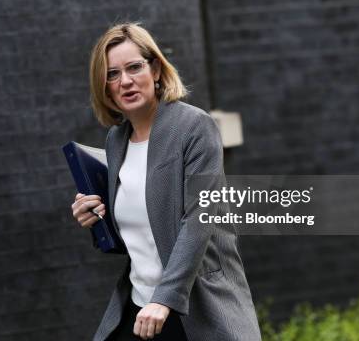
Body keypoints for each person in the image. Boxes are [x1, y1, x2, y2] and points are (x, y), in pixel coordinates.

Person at [71, 22, 261, 341]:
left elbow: (201, 216)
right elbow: (140, 235)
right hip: (139, 309)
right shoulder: (116, 141)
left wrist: (165, 298)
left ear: (155, 69)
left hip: (193, 308)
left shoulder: (194, 127)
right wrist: (95, 218)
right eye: (113, 74)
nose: (126, 81)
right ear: (103, 86)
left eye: (134, 67)